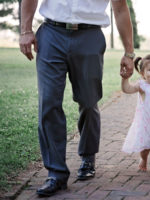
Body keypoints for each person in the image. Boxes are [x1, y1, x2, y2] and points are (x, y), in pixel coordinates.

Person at [19, 0, 134, 196]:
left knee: (89, 103)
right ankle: (56, 173)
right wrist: (25, 30)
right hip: (51, 34)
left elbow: (121, 8)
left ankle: (88, 156)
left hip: (90, 36)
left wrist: (129, 52)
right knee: (48, 103)